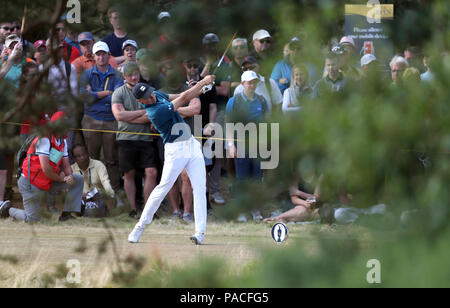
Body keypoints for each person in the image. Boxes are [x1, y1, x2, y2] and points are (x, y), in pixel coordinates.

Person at [127, 75, 216, 245]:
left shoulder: (157, 94)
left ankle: (200, 233)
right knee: (162, 188)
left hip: (191, 144)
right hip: (175, 151)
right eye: (148, 97)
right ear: (141, 101)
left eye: (151, 93)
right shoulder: (154, 112)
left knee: (200, 188)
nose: (152, 96)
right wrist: (203, 83)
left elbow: (178, 95)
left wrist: (199, 88)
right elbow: (183, 99)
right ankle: (139, 227)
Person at [0, 112, 84, 222]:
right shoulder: (45, 138)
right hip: (30, 182)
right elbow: (46, 168)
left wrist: (70, 176)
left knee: (77, 179)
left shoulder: (62, 141)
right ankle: (7, 209)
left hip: (47, 181)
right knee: (33, 219)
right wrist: (61, 178)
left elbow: (66, 165)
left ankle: (66, 215)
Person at [111, 62, 159, 219]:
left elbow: (152, 114)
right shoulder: (118, 93)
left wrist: (131, 116)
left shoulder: (147, 91)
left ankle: (148, 209)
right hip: (126, 138)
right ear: (124, 77)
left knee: (152, 172)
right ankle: (132, 209)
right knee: (129, 173)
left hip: (146, 138)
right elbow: (119, 116)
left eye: (135, 73)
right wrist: (142, 115)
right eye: (130, 74)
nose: (133, 77)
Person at [80, 41, 123, 194]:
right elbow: (84, 97)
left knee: (112, 159)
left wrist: (94, 95)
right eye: (98, 54)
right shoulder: (86, 74)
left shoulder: (117, 74)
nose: (101, 57)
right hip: (91, 119)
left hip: (111, 120)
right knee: (91, 158)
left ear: (108, 55)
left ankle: (115, 193)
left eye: (104, 54)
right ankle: (92, 193)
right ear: (94, 56)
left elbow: (117, 97)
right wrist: (105, 93)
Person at [226, 70, 267, 221]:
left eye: (254, 82)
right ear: (242, 84)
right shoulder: (234, 101)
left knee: (257, 178)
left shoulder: (261, 101)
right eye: (249, 82)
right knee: (242, 178)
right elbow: (229, 124)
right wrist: (231, 145)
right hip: (241, 143)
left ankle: (256, 209)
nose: (252, 85)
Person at [200, 33, 231, 206]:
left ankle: (216, 190)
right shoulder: (197, 63)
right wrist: (208, 67)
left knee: (217, 151)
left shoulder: (224, 65)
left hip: (217, 112)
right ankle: (202, 191)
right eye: (208, 45)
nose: (211, 48)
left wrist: (208, 86)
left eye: (214, 45)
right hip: (198, 112)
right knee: (200, 154)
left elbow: (224, 91)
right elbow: (195, 83)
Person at [71, 144, 121, 216]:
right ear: (75, 159)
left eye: (84, 154)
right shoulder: (71, 169)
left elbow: (105, 181)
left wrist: (111, 195)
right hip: (81, 199)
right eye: (78, 156)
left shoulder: (98, 165)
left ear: (88, 154)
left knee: (110, 200)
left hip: (98, 196)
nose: (82, 158)